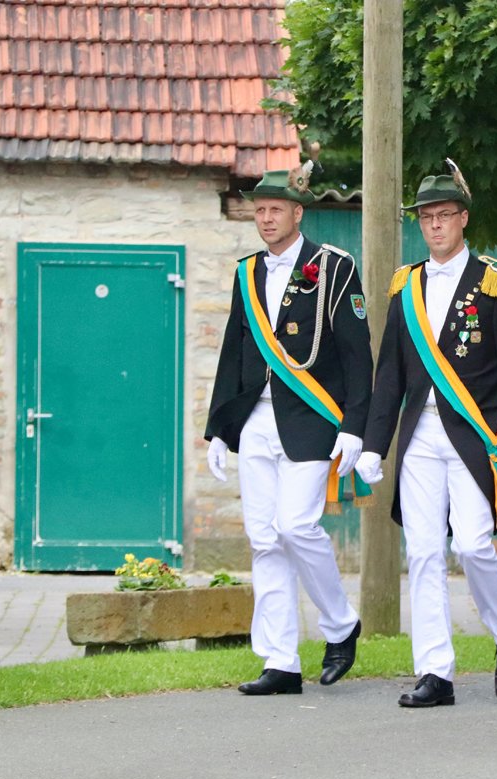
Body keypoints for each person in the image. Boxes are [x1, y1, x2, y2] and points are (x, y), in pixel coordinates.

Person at [357, 162, 497, 708]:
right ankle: (435, 672)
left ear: (463, 219)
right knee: (424, 552)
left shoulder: (495, 280)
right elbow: (389, 374)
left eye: (444, 215)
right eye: (426, 217)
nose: (434, 225)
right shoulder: (406, 284)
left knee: (474, 545)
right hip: (419, 436)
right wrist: (373, 444)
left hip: (474, 435)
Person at [205, 165, 373, 695]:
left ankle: (340, 622)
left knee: (295, 526)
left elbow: (357, 355)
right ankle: (280, 662)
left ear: (298, 213)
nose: (266, 218)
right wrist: (219, 428)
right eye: (259, 210)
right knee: (264, 540)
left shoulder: (335, 267)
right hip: (256, 420)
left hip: (312, 419)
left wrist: (356, 426)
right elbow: (234, 349)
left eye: (275, 209)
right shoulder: (247, 272)